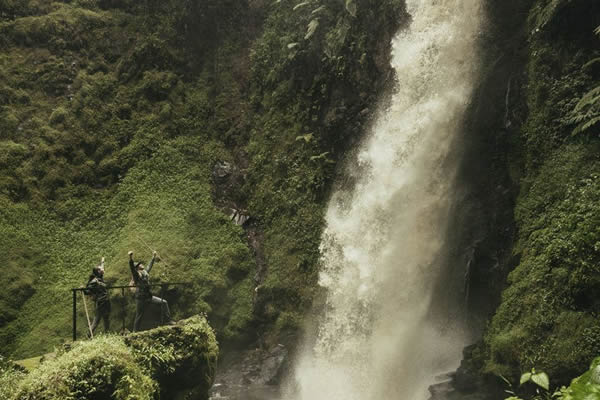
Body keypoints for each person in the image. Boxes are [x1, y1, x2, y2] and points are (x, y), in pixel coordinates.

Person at [129, 250, 175, 331]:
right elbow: (132, 268)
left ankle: (168, 321)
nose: (142, 265)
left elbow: (149, 266)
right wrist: (130, 257)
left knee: (164, 302)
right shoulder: (136, 275)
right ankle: (134, 332)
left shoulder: (145, 273)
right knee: (139, 315)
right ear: (137, 268)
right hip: (140, 299)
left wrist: (153, 257)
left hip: (148, 296)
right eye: (140, 265)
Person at [86, 257, 111, 337]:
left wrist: (102, 262)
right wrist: (83, 290)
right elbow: (88, 290)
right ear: (98, 272)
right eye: (100, 269)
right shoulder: (94, 281)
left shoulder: (100, 278)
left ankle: (107, 335)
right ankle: (89, 335)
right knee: (96, 320)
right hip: (100, 302)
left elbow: (102, 269)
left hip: (106, 301)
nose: (102, 270)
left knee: (106, 319)